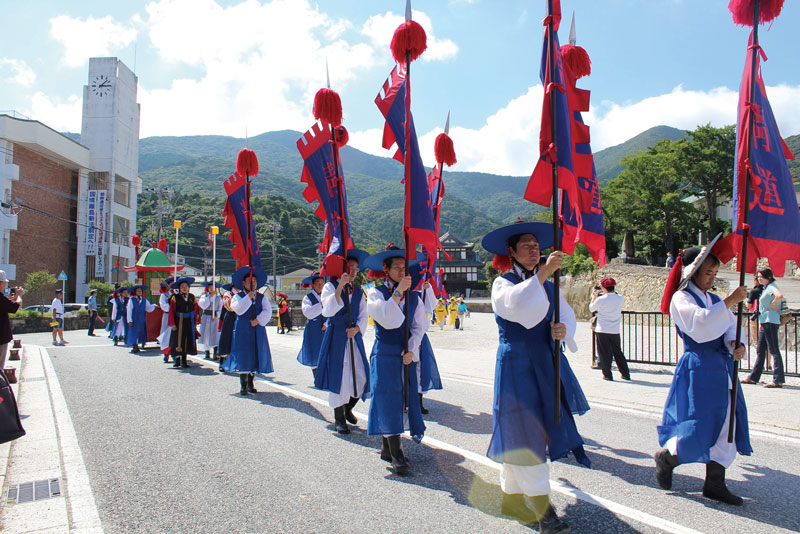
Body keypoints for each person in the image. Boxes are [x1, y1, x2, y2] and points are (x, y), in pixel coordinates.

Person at [481, 220, 588, 532]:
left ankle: (512, 497)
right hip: (517, 362)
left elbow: (565, 318)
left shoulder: (550, 285)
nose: (533, 249)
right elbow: (517, 308)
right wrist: (543, 274)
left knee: (532, 429)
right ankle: (542, 509)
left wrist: (562, 331)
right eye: (525, 245)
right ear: (511, 252)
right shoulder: (502, 284)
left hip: (544, 360)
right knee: (525, 429)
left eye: (535, 245)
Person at [656, 239, 751, 506]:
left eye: (715, 273)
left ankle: (715, 483)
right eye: (708, 272)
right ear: (693, 273)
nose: (712, 278)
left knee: (726, 424)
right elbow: (701, 326)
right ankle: (668, 457)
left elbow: (730, 326)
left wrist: (736, 343)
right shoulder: (681, 298)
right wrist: (731, 300)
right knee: (699, 424)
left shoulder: (714, 299)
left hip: (721, 367)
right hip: (698, 366)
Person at [364, 246, 427, 476]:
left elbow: (420, 326)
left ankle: (386, 445)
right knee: (387, 398)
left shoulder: (415, 297)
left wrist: (412, 348)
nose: (402, 271)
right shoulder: (375, 293)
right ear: (385, 269)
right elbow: (387, 320)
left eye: (404, 267)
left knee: (404, 398)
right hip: (384, 353)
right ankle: (396, 452)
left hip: (404, 354)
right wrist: (399, 291)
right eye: (397, 268)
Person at [314, 250, 370, 434]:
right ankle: (339, 418)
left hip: (354, 337)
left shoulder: (359, 292)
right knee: (339, 376)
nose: (353, 271)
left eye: (355, 268)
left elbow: (363, 314)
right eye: (349, 268)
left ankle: (349, 407)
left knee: (361, 375)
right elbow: (327, 311)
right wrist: (340, 287)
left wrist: (358, 329)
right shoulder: (331, 287)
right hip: (337, 336)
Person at [221, 266, 273, 395]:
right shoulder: (237, 297)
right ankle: (243, 384)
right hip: (242, 329)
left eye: (255, 281)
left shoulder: (261, 297)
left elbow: (268, 311)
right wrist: (248, 298)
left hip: (257, 328)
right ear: (243, 283)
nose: (253, 283)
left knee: (255, 353)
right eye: (250, 280)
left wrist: (258, 320)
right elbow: (238, 309)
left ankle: (251, 382)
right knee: (243, 354)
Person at [742, 268, 785, 388]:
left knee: (774, 350)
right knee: (761, 350)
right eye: (758, 277)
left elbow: (779, 295)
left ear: (768, 277)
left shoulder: (771, 287)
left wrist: (773, 304)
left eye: (761, 277)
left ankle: (777, 379)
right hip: (765, 321)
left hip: (770, 321)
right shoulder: (766, 288)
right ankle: (753, 377)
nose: (759, 278)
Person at [589, 277, 630, 381]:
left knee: (604, 353)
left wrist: (593, 297)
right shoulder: (620, 298)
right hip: (615, 330)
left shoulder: (601, 299)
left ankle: (607, 374)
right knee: (618, 353)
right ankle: (625, 373)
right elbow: (613, 297)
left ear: (604, 287)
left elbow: (591, 308)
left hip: (602, 329)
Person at [297, 272, 326, 380]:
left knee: (326, 351)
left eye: (322, 282)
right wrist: (321, 305)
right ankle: (317, 378)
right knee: (314, 351)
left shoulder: (327, 296)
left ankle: (325, 377)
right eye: (318, 282)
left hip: (326, 328)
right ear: (313, 285)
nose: (320, 285)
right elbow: (308, 313)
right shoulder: (307, 298)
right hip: (314, 328)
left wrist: (327, 323)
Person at [167, 277, 200, 368]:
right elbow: (171, 311)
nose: (184, 288)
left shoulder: (192, 297)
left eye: (186, 286)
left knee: (186, 339)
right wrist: (172, 323)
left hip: (188, 321)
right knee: (177, 340)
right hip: (178, 321)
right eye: (182, 286)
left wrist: (196, 319)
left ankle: (184, 360)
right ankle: (176, 359)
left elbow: (196, 308)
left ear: (188, 287)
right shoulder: (175, 297)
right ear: (179, 288)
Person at [0, 271, 22, 369]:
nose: (5, 285)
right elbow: (17, 306)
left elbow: (5, 304)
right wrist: (19, 296)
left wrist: (8, 298)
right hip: (1, 338)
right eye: (5, 283)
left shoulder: (2, 299)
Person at [126, 285, 156, 353]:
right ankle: (134, 346)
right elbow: (129, 310)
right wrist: (129, 320)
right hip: (134, 318)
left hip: (142, 319)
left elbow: (148, 308)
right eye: (138, 291)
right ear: (135, 292)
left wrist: (153, 306)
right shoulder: (132, 299)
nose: (139, 292)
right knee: (134, 332)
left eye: (140, 291)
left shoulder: (144, 300)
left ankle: (140, 343)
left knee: (141, 332)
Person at [198, 282, 223, 359]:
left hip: (214, 318)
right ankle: (207, 351)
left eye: (213, 288)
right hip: (206, 316)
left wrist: (217, 315)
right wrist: (209, 297)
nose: (212, 289)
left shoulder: (218, 298)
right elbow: (203, 305)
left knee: (215, 334)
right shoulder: (204, 297)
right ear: (208, 289)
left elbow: (220, 309)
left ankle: (215, 352)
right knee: (206, 334)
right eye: (210, 288)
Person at [217, 284, 238, 371]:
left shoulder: (242, 294)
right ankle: (222, 360)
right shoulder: (228, 294)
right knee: (226, 338)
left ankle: (234, 362)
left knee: (236, 339)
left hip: (239, 317)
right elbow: (229, 306)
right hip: (230, 317)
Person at [156, 277, 175, 362]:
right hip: (167, 316)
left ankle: (175, 354)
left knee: (175, 336)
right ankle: (166, 353)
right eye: (171, 284)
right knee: (166, 335)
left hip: (176, 317)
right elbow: (164, 306)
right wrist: (173, 307)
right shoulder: (164, 295)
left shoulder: (178, 294)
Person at [745, 274, 763, 348]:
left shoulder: (754, 291)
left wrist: (746, 302)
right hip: (766, 316)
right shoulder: (768, 289)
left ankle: (759, 356)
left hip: (755, 316)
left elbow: (749, 305)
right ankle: (768, 359)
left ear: (756, 280)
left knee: (756, 340)